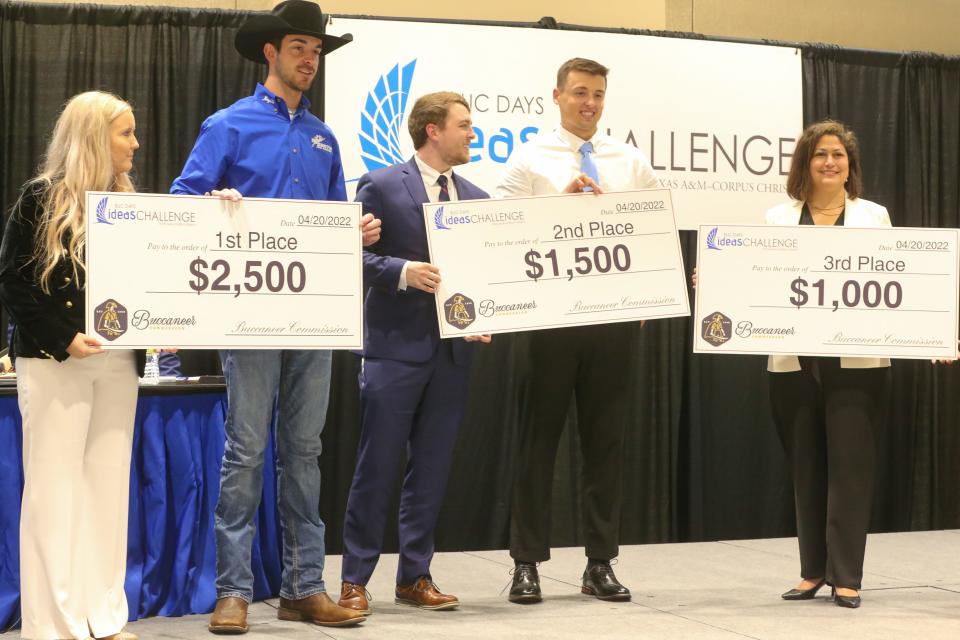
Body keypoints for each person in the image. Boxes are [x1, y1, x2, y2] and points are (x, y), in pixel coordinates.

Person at [170, 1, 379, 632]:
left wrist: (357, 232)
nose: (309, 59)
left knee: (305, 450)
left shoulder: (324, 138)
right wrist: (214, 202)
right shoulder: (228, 125)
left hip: (313, 314)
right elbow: (183, 202)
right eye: (298, 48)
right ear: (271, 52)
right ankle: (232, 589)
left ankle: (303, 587)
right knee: (245, 449)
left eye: (316, 51)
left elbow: (330, 221)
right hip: (249, 314)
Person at [497, 57, 657, 604]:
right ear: (558, 95)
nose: (590, 103)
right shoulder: (528, 159)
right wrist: (556, 208)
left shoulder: (630, 161)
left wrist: (647, 292)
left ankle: (600, 563)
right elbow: (500, 234)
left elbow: (652, 229)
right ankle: (526, 565)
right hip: (548, 322)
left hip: (611, 322)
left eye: (598, 95)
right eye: (580, 93)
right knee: (536, 443)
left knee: (605, 443)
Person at [336, 92, 490, 616]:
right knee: (376, 464)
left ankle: (414, 576)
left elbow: (486, 274)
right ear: (432, 130)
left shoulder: (477, 198)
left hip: (452, 356)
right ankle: (354, 578)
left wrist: (487, 317)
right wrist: (404, 272)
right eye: (464, 126)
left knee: (431, 469)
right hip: (393, 350)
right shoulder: (380, 184)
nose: (473, 134)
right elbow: (351, 255)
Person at [0, 90, 144, 640]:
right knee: (54, 491)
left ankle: (103, 617)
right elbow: (13, 280)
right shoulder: (41, 198)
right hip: (54, 360)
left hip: (117, 361)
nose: (135, 143)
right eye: (124, 133)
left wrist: (222, 204)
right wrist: (64, 338)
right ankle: (54, 626)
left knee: (107, 494)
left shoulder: (130, 202)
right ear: (92, 138)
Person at [766, 119, 891, 609]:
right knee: (806, 468)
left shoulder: (874, 216)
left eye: (838, 154)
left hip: (857, 361)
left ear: (849, 165)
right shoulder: (776, 218)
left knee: (851, 469)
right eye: (820, 154)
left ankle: (846, 576)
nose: (830, 162)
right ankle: (812, 572)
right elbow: (755, 279)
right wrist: (712, 280)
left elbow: (900, 284)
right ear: (806, 163)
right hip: (794, 364)